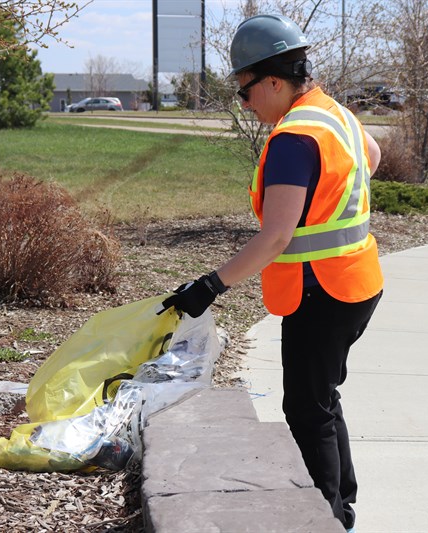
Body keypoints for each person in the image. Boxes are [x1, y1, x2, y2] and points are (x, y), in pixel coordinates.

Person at [159, 13, 383, 533]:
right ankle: (341, 505)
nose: (245, 104)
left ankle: (327, 515)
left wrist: (210, 286)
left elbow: (277, 236)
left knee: (307, 408)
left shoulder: (292, 139)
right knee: (322, 396)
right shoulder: (333, 114)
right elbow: (370, 156)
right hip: (356, 281)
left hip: (320, 293)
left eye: (245, 91)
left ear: (275, 81)